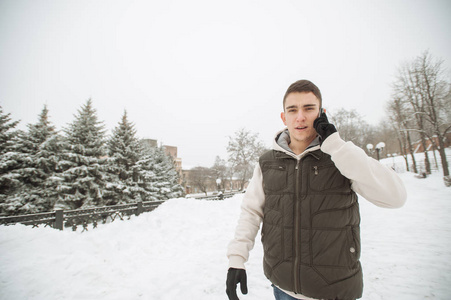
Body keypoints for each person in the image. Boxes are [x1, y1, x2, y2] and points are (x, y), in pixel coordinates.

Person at [226, 80, 407, 300]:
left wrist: (336, 145)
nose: (300, 117)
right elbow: (251, 212)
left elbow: (395, 197)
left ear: (321, 114)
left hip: (334, 291)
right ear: (284, 117)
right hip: (282, 287)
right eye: (292, 110)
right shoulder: (267, 162)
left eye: (308, 108)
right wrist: (237, 258)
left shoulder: (341, 156)